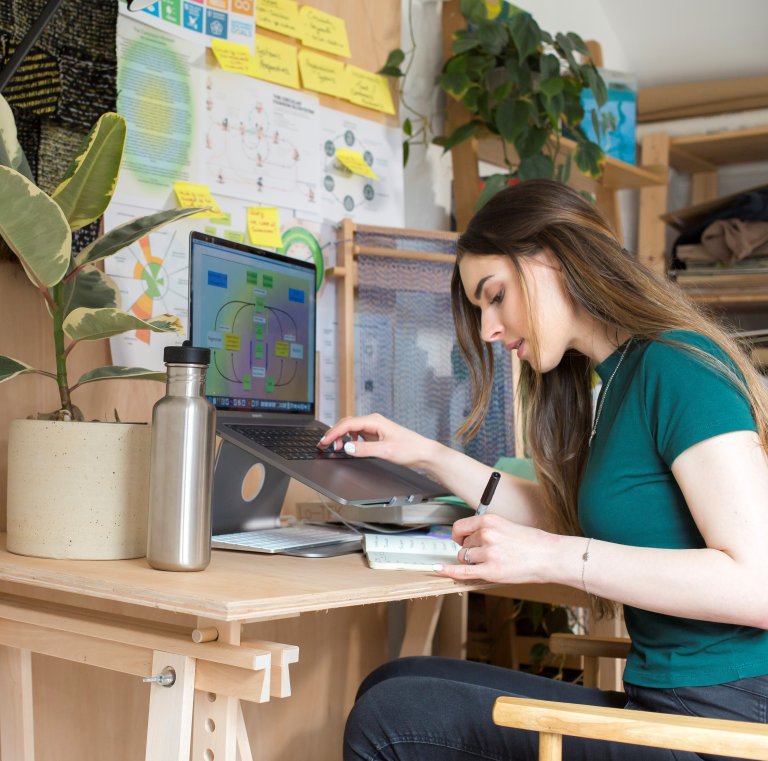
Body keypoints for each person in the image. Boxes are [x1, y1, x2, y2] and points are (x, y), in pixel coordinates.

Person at [318, 179, 768, 761]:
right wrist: (427, 455)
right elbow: (571, 513)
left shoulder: (677, 368)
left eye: (495, 295)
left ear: (552, 259)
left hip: (720, 727)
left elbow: (758, 584)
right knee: (392, 681)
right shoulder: (620, 378)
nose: (488, 330)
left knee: (392, 718)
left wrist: (553, 556)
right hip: (666, 708)